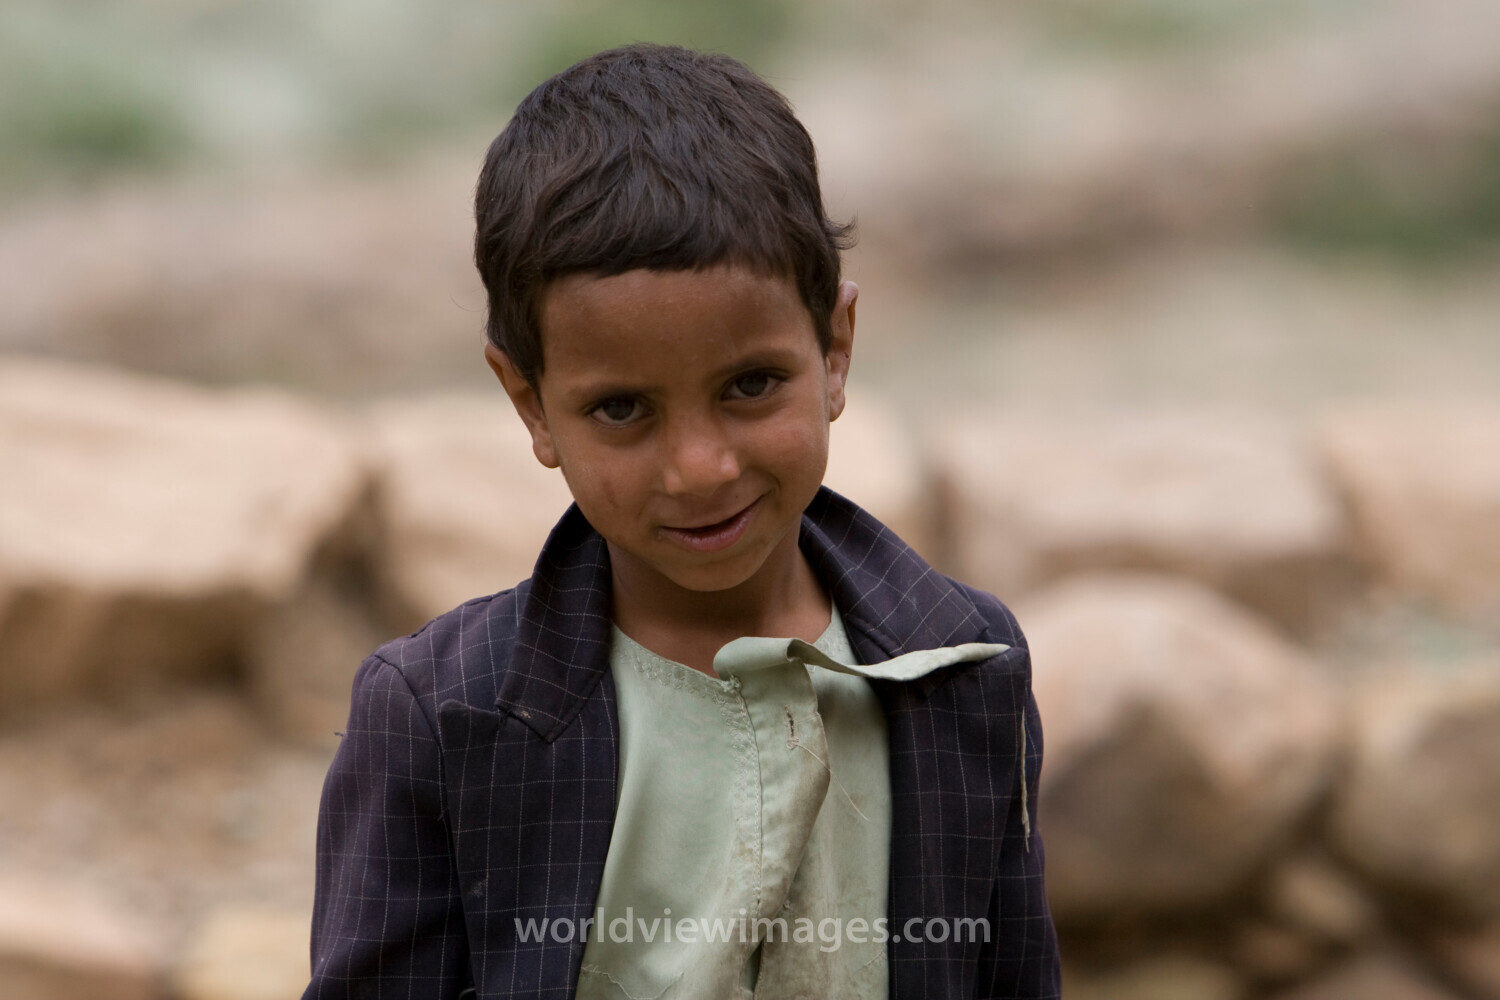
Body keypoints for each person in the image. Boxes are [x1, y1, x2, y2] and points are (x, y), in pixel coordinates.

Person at [304, 43, 1059, 1000]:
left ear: (835, 350)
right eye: (623, 408)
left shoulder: (965, 670)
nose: (701, 468)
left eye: (750, 385)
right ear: (531, 404)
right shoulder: (443, 722)